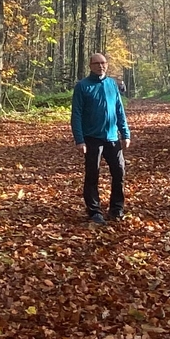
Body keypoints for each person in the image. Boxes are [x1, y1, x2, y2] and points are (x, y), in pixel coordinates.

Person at [70, 51, 130, 224]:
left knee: (119, 171)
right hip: (91, 138)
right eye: (96, 63)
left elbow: (119, 110)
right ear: (90, 66)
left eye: (103, 63)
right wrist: (79, 139)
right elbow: (77, 114)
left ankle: (116, 209)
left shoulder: (112, 84)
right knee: (92, 175)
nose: (101, 66)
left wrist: (125, 133)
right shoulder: (83, 86)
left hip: (112, 137)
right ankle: (94, 211)